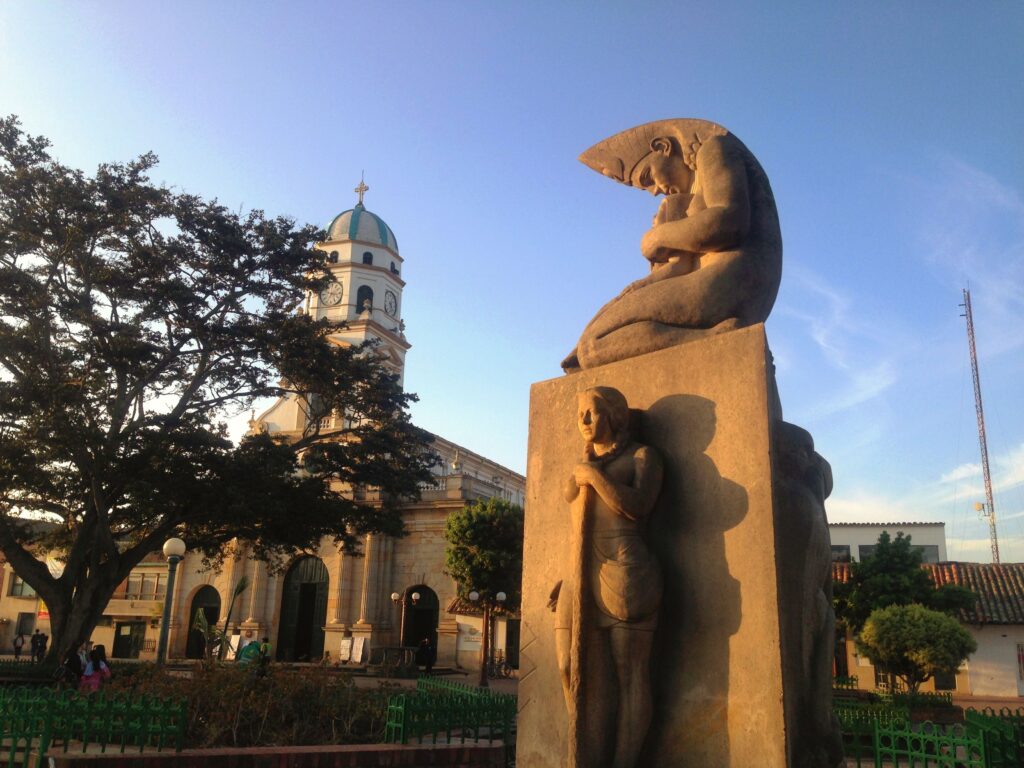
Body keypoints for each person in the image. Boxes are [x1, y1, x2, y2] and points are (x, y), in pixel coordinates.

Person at [562, 118, 782, 371]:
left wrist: (655, 238)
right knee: (590, 349)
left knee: (594, 344)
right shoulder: (685, 200)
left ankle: (718, 339)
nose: (654, 191)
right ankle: (713, 337)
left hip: (731, 280)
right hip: (721, 282)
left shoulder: (714, 148)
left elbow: (728, 221)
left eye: (647, 177)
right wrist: (637, 288)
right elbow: (679, 267)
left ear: (663, 147)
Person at [554, 387, 663, 768]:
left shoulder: (643, 456)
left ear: (615, 416)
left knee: (630, 676)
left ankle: (623, 762)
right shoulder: (583, 462)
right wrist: (567, 572)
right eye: (579, 414)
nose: (584, 421)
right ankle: (584, 751)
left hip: (626, 571)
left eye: (593, 412)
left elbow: (639, 506)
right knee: (567, 666)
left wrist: (594, 476)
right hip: (580, 572)